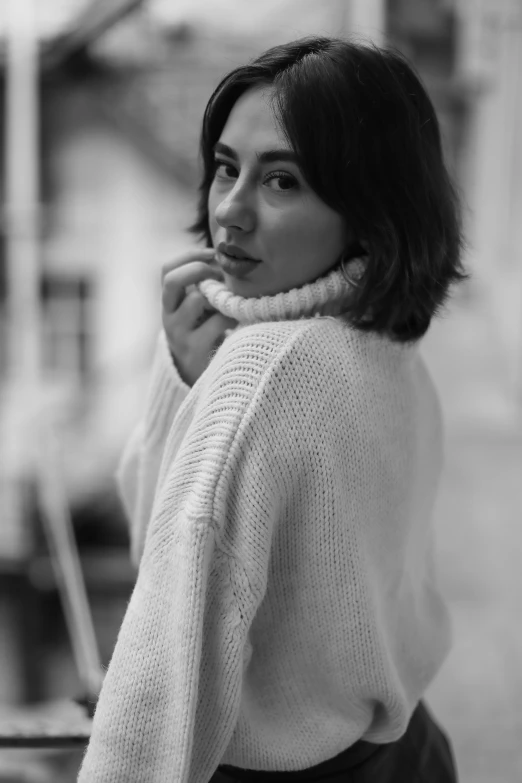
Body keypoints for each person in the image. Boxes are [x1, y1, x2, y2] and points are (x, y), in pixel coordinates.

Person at [78, 35, 467, 783]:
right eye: (227, 167)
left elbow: (169, 629)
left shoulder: (269, 369)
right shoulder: (387, 347)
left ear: (369, 206)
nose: (230, 211)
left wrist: (206, 390)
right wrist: (191, 385)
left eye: (282, 181)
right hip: (409, 753)